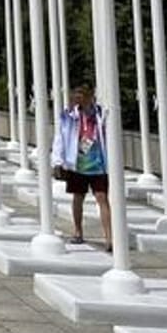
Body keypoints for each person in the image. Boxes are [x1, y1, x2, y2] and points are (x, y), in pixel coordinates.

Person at [51, 83, 113, 251]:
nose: (78, 99)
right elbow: (60, 137)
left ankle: (109, 237)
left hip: (98, 164)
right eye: (76, 96)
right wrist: (57, 161)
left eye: (81, 96)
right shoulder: (70, 115)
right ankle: (78, 231)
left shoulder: (99, 114)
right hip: (77, 163)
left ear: (89, 96)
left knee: (102, 198)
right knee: (78, 197)